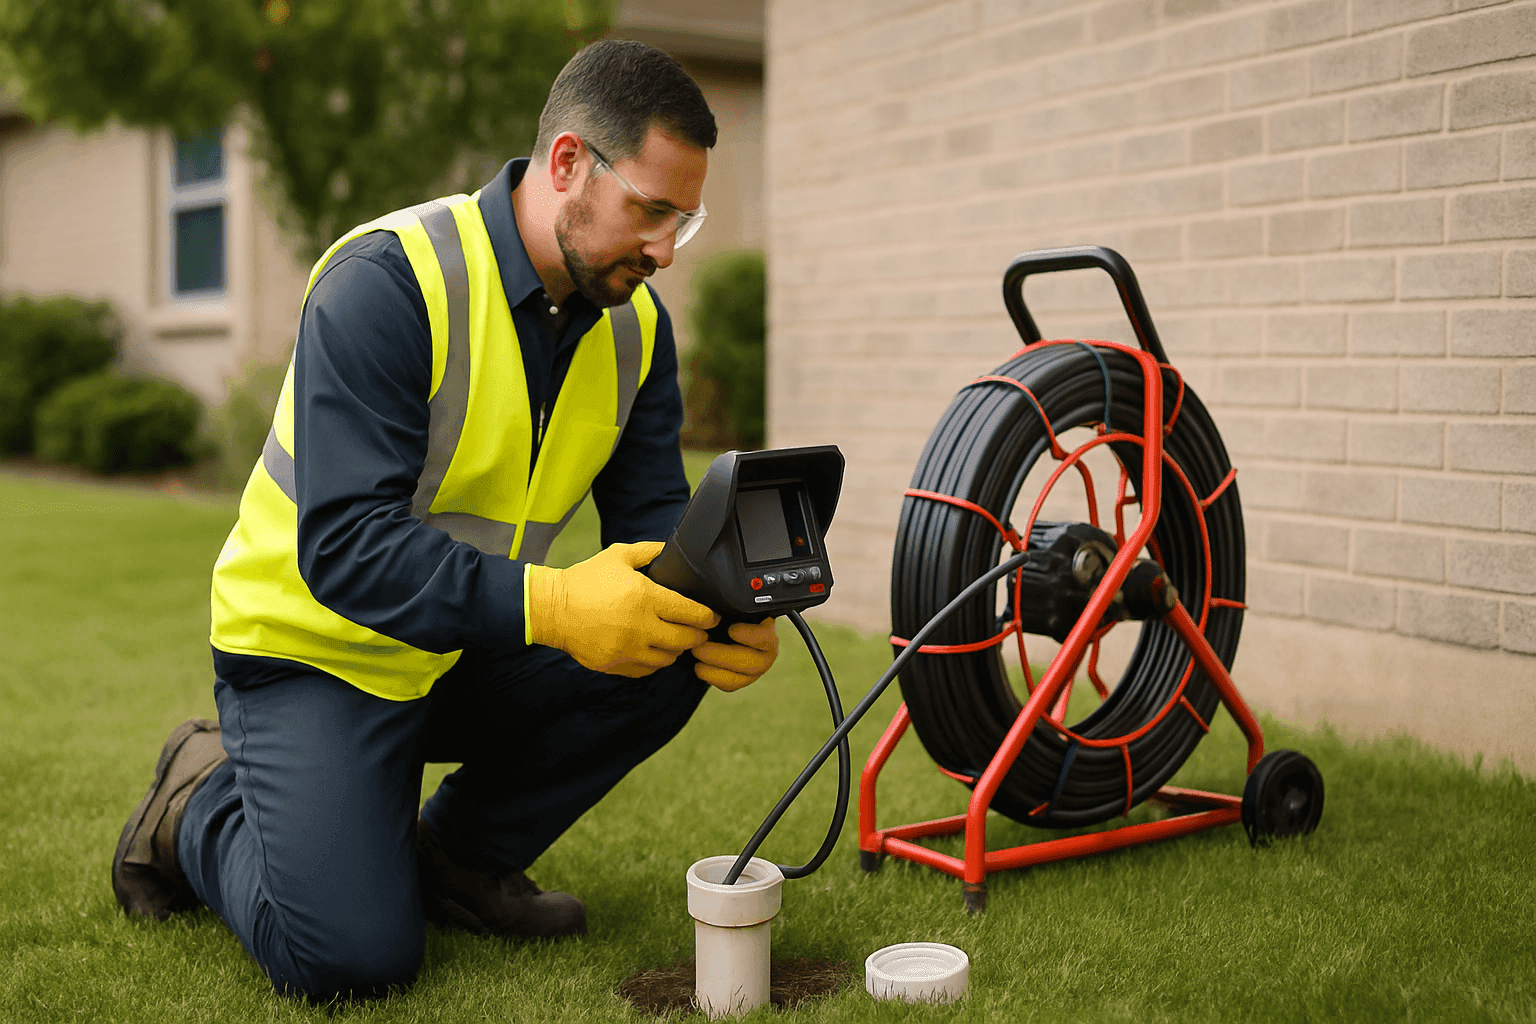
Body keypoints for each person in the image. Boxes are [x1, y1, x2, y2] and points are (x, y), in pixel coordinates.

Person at [110, 39, 779, 1001]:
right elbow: (341, 544)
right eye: (651, 210)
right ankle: (198, 799)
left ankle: (460, 863)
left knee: (665, 639)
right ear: (567, 166)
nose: (668, 249)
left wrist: (723, 613)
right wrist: (554, 608)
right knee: (351, 964)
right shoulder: (388, 284)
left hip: (461, 645)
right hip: (312, 650)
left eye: (688, 218)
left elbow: (658, 536)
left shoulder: (636, 326)